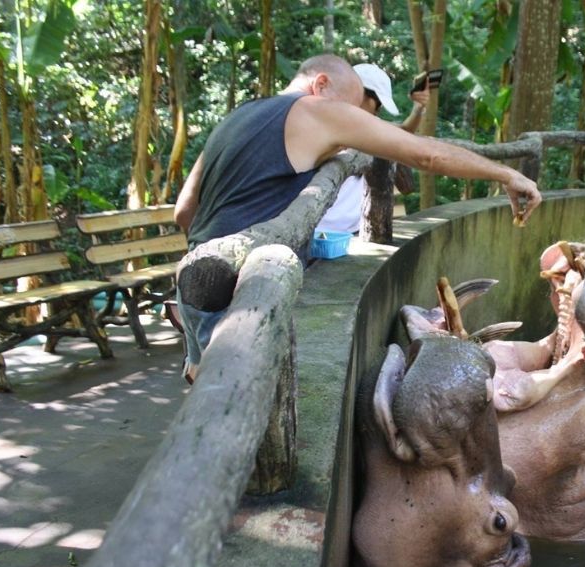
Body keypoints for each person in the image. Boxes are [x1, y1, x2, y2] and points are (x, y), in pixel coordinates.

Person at [173, 54, 540, 383]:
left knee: (204, 395)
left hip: (193, 279)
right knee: (233, 414)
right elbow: (426, 156)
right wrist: (507, 175)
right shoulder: (316, 110)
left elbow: (184, 211)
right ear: (320, 84)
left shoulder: (237, 116)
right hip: (237, 291)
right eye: (351, 110)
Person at [315, 63, 430, 235]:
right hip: (316, 231)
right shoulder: (319, 121)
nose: (377, 112)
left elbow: (404, 132)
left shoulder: (367, 128)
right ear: (360, 94)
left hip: (351, 233)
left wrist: (419, 107)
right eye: (378, 105)